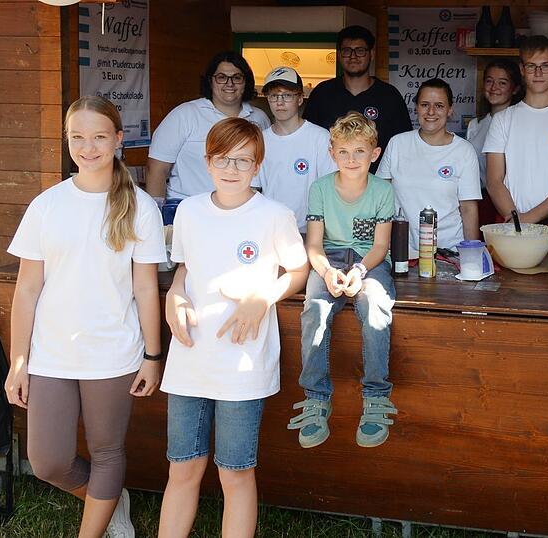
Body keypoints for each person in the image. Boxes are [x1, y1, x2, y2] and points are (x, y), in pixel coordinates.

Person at [5, 95, 166, 538]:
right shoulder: (47, 205)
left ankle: (94, 525)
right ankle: (109, 498)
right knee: (48, 461)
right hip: (51, 352)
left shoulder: (139, 206)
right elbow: (28, 289)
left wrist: (153, 356)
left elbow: (145, 287)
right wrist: (19, 361)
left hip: (112, 352)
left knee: (107, 451)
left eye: (98, 137)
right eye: (77, 137)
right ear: (67, 140)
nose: (88, 147)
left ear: (118, 139)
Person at [158, 118, 309, 538]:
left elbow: (297, 270)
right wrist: (175, 293)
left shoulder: (275, 215)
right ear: (207, 162)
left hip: (244, 363)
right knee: (182, 467)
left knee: (235, 472)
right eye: (223, 159)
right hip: (191, 357)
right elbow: (185, 267)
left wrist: (264, 297)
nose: (231, 169)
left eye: (243, 161)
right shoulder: (189, 210)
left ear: (257, 166)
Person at [288, 112, 397, 449]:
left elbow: (380, 245)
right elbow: (315, 244)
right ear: (332, 153)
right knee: (315, 309)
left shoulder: (382, 190)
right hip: (330, 259)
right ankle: (316, 396)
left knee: (374, 305)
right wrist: (325, 272)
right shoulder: (320, 188)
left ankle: (376, 395)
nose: (352, 159)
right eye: (344, 152)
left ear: (374, 154)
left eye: (360, 152)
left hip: (369, 262)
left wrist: (360, 273)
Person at [483, 35, 548, 254]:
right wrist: (515, 221)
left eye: (545, 66)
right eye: (531, 66)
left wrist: (528, 220)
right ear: (522, 69)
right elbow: (494, 181)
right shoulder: (503, 119)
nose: (538, 73)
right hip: (509, 223)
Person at [146, 51, 271, 202]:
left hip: (240, 210)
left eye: (237, 77)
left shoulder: (259, 118)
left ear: (246, 82)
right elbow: (157, 169)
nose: (229, 84)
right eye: (221, 77)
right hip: (187, 207)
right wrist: (158, 215)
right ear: (210, 81)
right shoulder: (185, 115)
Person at [377, 78, 481, 258]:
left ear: (450, 110)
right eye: (425, 104)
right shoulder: (398, 144)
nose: (431, 112)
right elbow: (379, 196)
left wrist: (472, 257)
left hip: (449, 252)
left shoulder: (464, 150)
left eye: (439, 106)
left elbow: (468, 208)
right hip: (403, 251)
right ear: (416, 107)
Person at [302, 25, 412, 173]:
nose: (353, 56)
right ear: (339, 54)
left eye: (360, 51)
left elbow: (403, 145)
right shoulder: (322, 93)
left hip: (377, 185)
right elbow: (307, 139)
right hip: (329, 184)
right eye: (347, 51)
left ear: (371, 54)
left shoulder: (389, 96)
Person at [259, 66, 337, 232]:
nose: (280, 102)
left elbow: (331, 188)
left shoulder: (320, 137)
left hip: (311, 231)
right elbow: (254, 189)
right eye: (274, 96)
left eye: (287, 95)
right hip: (270, 228)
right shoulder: (260, 140)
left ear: (300, 98)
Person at [466, 59, 523, 225]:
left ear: (515, 89)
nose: (494, 87)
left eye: (502, 83)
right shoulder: (475, 124)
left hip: (508, 202)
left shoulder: (519, 122)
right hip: (479, 200)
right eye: (489, 81)